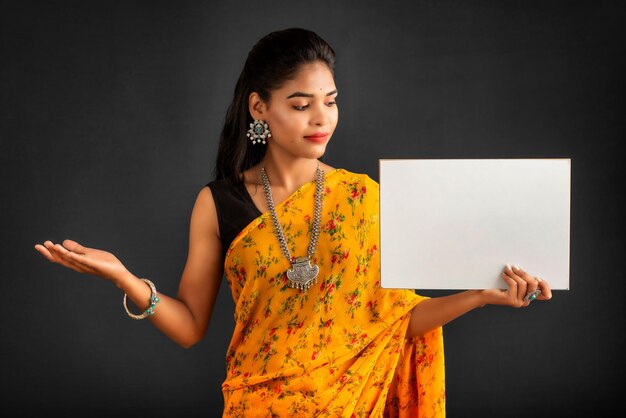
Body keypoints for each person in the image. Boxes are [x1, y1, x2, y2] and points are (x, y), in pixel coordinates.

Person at [34, 27, 552, 417]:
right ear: (260, 107)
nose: (321, 118)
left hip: (353, 405)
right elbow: (191, 326)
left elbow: (395, 323)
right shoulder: (218, 203)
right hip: (257, 406)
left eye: (330, 102)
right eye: (301, 105)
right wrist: (125, 278)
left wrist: (482, 295)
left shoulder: (363, 199)